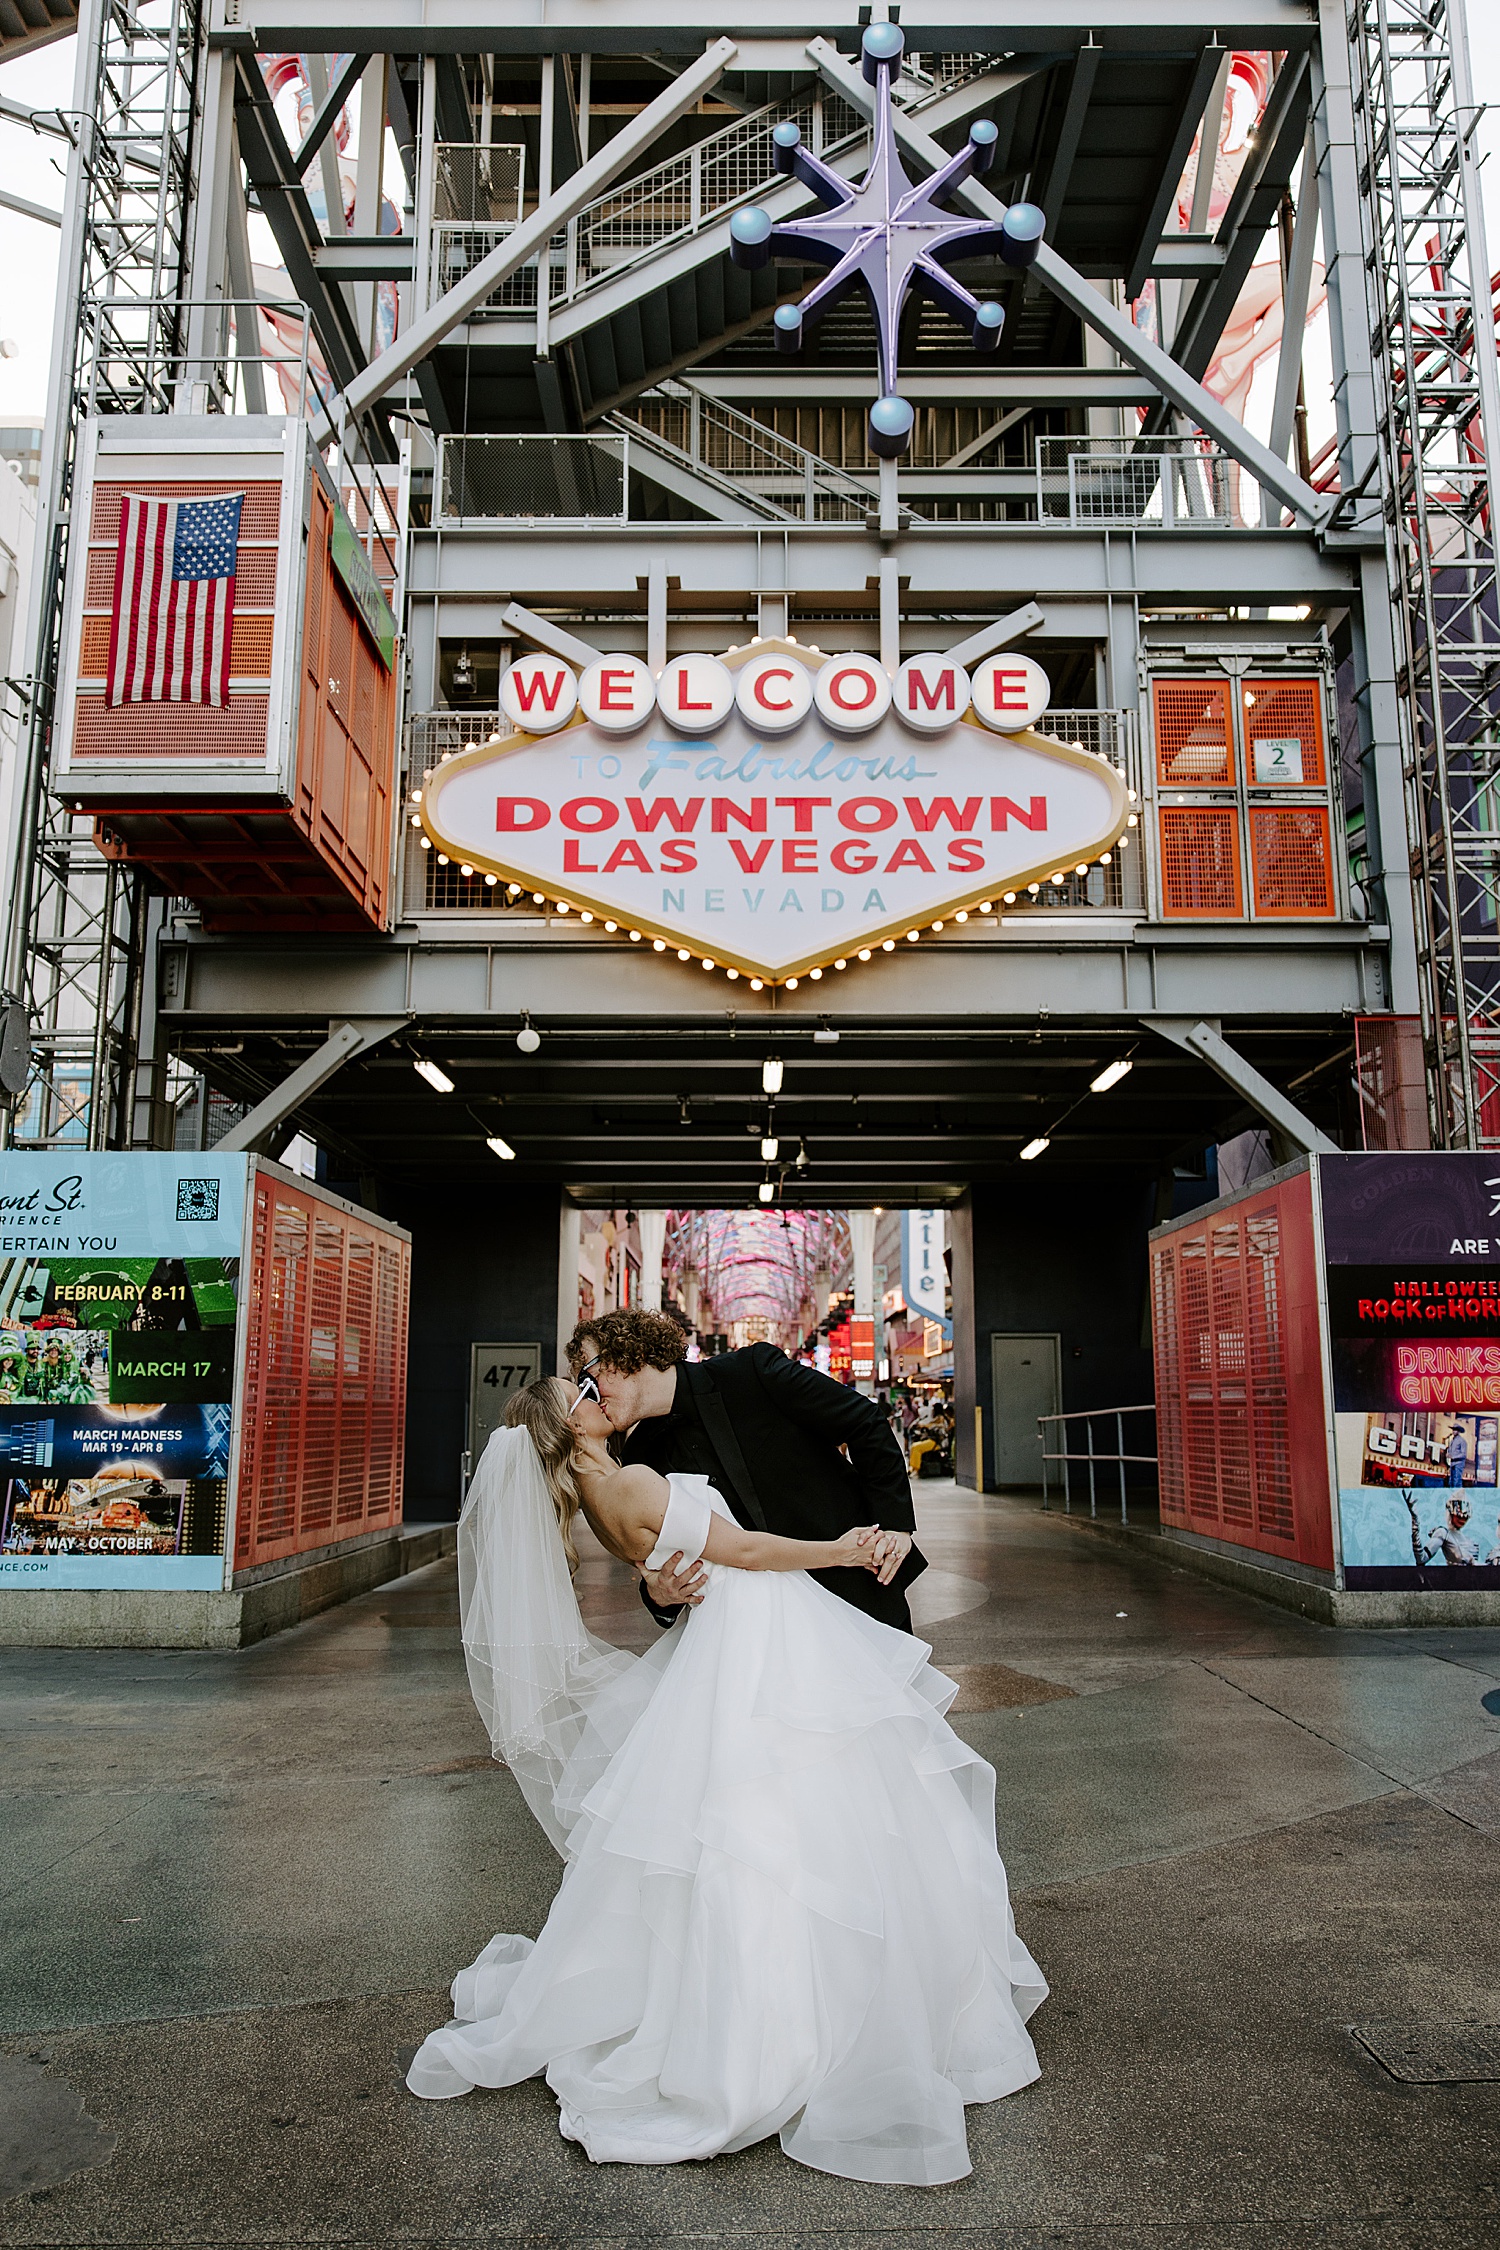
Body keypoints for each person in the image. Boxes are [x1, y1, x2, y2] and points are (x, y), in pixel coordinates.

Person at [405, 1376, 1046, 2184]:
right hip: (756, 1630)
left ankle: (753, 2000)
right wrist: (841, 1548)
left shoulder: (605, 1494)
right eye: (584, 1393)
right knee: (789, 1802)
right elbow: (740, 1550)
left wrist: (657, 1582)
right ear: (570, 1428)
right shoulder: (629, 1481)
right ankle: (799, 2021)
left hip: (732, 1638)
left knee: (744, 1811)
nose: (599, 1393)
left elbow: (666, 1564)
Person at [566, 1308, 923, 1632]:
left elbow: (863, 1421)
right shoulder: (640, 1454)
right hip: (755, 1634)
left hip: (854, 1586)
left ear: (628, 1355)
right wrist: (659, 1596)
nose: (592, 1394)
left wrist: (896, 1526)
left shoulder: (753, 1371)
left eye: (589, 1376)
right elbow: (660, 1561)